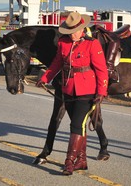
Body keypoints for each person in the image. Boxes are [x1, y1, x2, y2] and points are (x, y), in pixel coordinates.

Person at [36, 11, 108, 175]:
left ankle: (69, 161)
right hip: (68, 89)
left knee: (76, 124)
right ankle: (82, 160)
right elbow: (57, 63)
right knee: (79, 126)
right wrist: (45, 78)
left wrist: (101, 91)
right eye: (69, 32)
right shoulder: (63, 43)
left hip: (88, 92)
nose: (72, 34)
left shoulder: (92, 44)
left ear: (82, 29)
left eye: (74, 31)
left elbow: (102, 70)